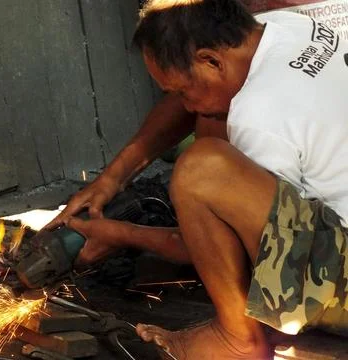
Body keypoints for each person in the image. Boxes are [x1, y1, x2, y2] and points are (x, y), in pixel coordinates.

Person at [47, 0, 348, 358]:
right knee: (211, 111)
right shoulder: (289, 30)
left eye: (180, 91)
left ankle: (238, 340)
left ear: (210, 60)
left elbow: (242, 250)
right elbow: (196, 94)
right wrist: (112, 178)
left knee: (199, 169)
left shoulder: (259, 112)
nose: (185, 106)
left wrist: (122, 234)